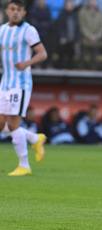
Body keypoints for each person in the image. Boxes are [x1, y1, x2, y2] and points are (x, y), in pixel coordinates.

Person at [0, 0, 48, 176]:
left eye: (18, 10)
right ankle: (35, 138)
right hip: (4, 83)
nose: (15, 13)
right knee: (1, 124)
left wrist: (27, 63)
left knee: (13, 124)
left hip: (20, 84)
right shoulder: (2, 30)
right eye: (12, 9)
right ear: (7, 11)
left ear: (24, 13)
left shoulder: (29, 30)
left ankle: (24, 165)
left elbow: (42, 53)